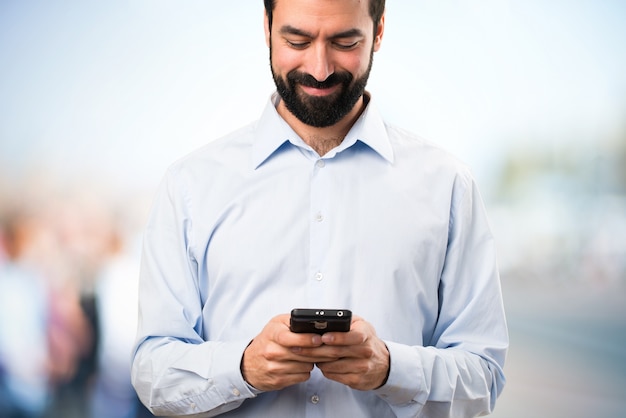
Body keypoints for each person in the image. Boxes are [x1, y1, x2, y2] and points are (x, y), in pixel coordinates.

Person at [131, 0, 508, 417]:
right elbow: (153, 371)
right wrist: (243, 367)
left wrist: (390, 368)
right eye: (298, 40)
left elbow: (484, 378)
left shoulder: (449, 185)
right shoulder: (190, 186)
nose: (320, 67)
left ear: (379, 31)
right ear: (267, 27)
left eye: (345, 41)